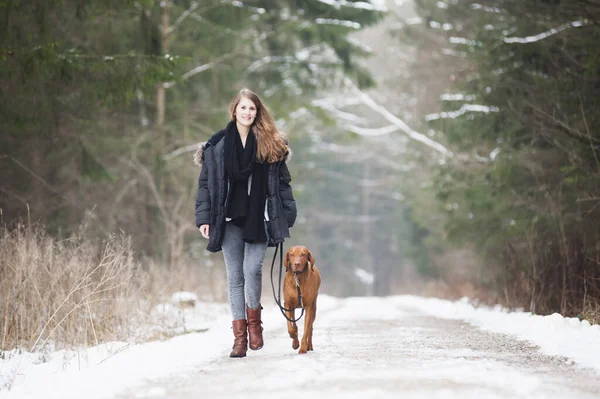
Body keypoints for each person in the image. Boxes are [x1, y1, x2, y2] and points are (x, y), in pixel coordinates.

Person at [194, 88, 297, 358]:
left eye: (252, 108)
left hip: (259, 219)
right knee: (235, 277)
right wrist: (204, 218)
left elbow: (282, 184)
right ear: (235, 111)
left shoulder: (270, 144)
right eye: (243, 108)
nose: (247, 113)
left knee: (252, 271)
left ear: (257, 112)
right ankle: (239, 338)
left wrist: (286, 213)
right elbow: (206, 185)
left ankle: (255, 325)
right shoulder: (217, 147)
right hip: (228, 219)